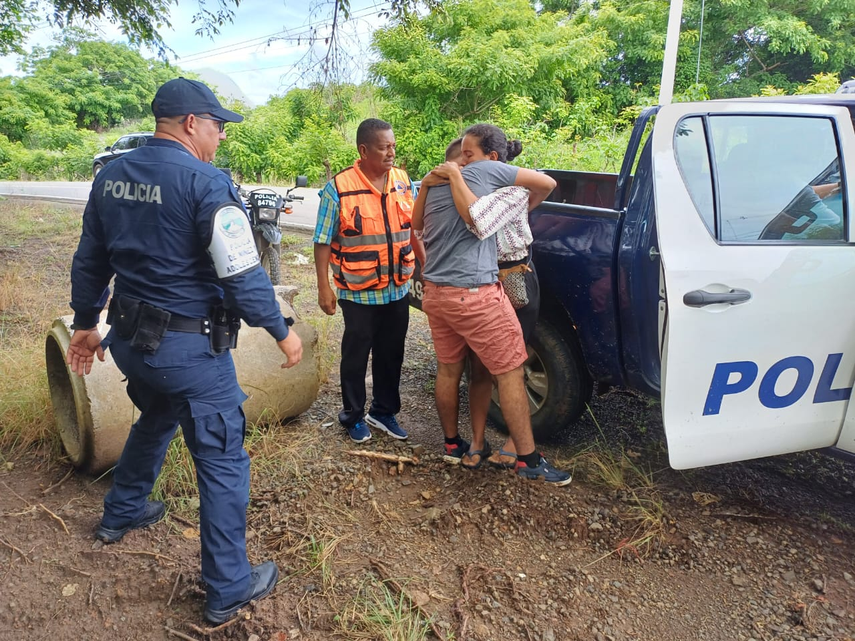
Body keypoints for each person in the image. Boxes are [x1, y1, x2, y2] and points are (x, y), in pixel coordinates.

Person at [66, 77, 303, 624]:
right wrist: (281, 330)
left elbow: (90, 257)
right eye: (218, 125)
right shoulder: (207, 182)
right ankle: (228, 586)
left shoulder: (112, 175)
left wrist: (84, 322)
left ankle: (122, 512)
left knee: (157, 413)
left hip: (128, 341)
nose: (220, 136)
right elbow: (242, 271)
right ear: (191, 123)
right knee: (222, 459)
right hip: (188, 352)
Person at [416, 122, 572, 485]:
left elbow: (417, 226)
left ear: (492, 157)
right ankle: (527, 459)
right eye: (462, 157)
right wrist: (458, 177)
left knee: (455, 370)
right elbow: (478, 221)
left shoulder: (448, 183)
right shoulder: (477, 177)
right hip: (477, 291)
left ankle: (458, 445)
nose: (464, 163)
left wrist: (444, 180)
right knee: (510, 371)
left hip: (441, 292)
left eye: (469, 155)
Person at [313, 118, 425, 443]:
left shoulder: (403, 181)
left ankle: (383, 411)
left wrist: (424, 266)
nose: (391, 152)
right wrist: (323, 286)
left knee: (392, 352)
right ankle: (353, 415)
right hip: (357, 291)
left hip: (397, 287)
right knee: (356, 353)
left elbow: (413, 229)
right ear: (363, 150)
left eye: (393, 145)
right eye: (383, 147)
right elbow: (321, 240)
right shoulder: (339, 188)